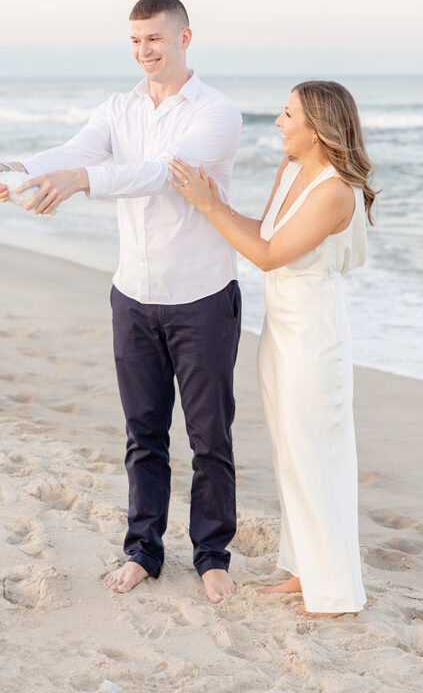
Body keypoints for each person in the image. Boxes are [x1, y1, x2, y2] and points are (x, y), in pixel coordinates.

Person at [0, 0, 243, 604]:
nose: (145, 51)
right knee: (143, 433)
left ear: (184, 38)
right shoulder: (117, 108)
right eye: (135, 41)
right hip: (134, 295)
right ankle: (143, 551)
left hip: (202, 296)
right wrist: (17, 169)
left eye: (155, 38)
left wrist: (81, 182)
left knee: (210, 436)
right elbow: (74, 152)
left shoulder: (217, 113)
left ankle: (212, 556)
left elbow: (163, 174)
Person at [169, 80, 375, 617]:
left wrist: (208, 205)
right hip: (280, 327)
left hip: (314, 334)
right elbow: (263, 230)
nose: (279, 123)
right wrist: (212, 205)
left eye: (288, 115)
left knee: (315, 454)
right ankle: (307, 571)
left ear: (318, 128)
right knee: (290, 451)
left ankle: (332, 591)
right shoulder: (290, 170)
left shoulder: (334, 191)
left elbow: (266, 255)